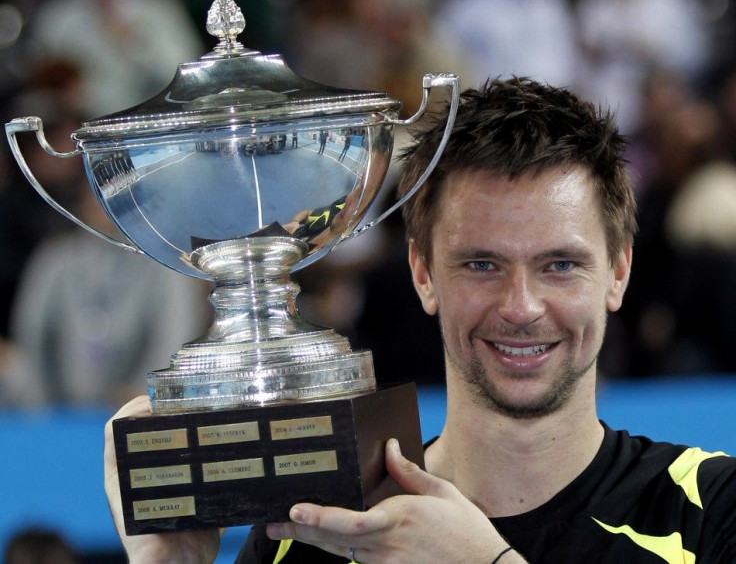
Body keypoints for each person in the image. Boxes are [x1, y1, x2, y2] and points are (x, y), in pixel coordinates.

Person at [103, 77, 736, 563]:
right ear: (423, 273)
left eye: (561, 264)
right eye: (482, 264)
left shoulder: (712, 506)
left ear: (619, 272)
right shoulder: (314, 533)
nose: (520, 307)